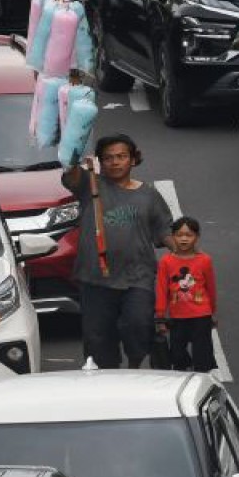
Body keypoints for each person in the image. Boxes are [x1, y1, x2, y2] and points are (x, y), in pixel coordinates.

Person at [63, 134, 173, 369]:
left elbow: (163, 231)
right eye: (109, 158)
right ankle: (107, 380)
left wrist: (185, 253)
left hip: (138, 277)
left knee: (138, 324)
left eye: (122, 156)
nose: (115, 162)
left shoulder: (149, 195)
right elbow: (71, 176)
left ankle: (135, 365)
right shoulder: (90, 184)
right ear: (100, 162)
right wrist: (72, 156)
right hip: (95, 278)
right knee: (98, 339)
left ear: (133, 159)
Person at [156, 217, 217, 373]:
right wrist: (160, 317)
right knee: (177, 355)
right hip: (177, 317)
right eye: (179, 235)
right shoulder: (166, 262)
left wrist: (213, 312)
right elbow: (162, 290)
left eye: (188, 235)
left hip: (201, 315)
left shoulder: (205, 260)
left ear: (197, 237)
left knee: (202, 356)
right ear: (173, 237)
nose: (184, 239)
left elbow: (210, 287)